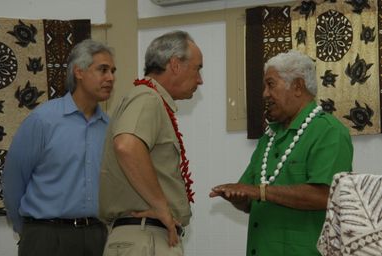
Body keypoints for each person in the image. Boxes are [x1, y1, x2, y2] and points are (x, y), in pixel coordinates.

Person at [209, 50, 353, 256]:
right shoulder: (269, 138)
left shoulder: (329, 131)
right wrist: (238, 198)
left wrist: (260, 192)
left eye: (271, 84)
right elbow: (250, 196)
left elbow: (325, 196)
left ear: (297, 86)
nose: (265, 93)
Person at [2, 39, 116, 256]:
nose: (110, 77)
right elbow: (13, 180)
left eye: (112, 71)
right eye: (103, 70)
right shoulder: (43, 120)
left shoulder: (109, 127)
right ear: (79, 72)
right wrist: (28, 230)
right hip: (45, 236)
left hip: (95, 236)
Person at [99, 30, 203, 256]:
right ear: (175, 64)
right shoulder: (147, 97)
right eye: (197, 68)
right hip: (145, 237)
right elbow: (127, 146)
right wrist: (162, 208)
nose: (200, 79)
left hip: (145, 237)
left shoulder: (149, 98)